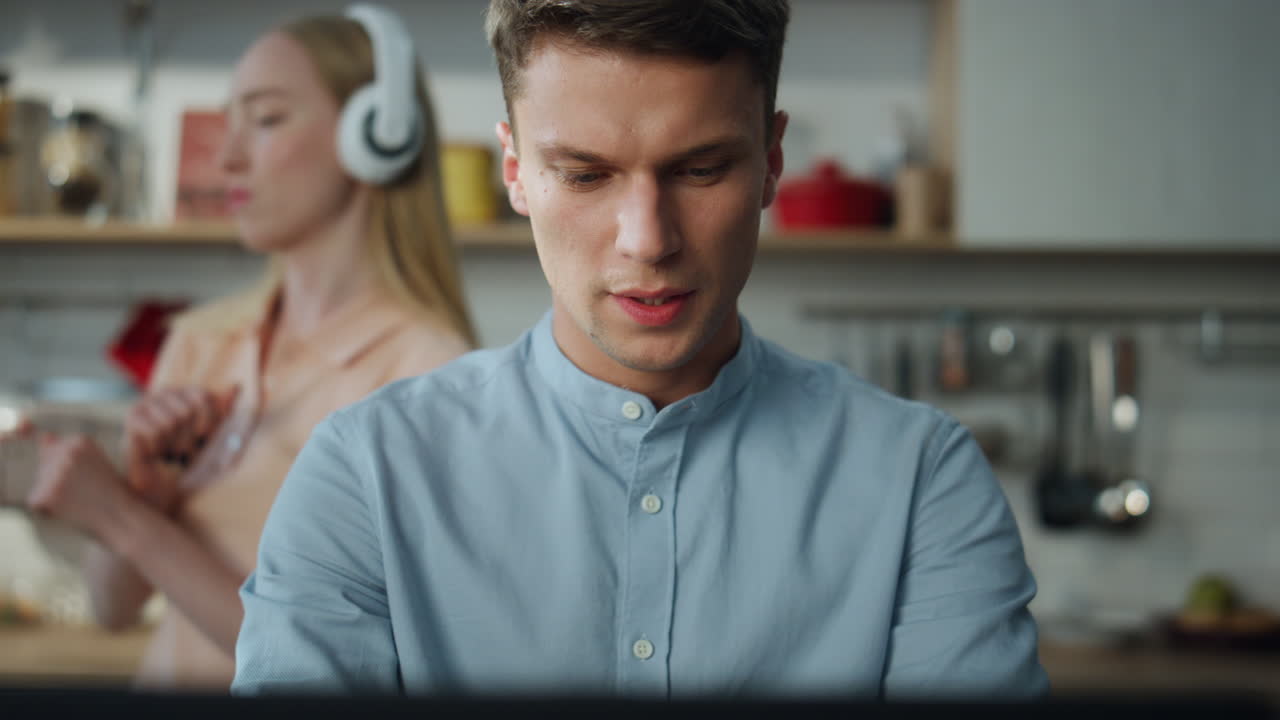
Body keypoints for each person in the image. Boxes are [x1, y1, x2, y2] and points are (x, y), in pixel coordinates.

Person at [233, 0, 1049, 701]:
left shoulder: (922, 484)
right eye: (585, 176)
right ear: (516, 170)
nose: (647, 240)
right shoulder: (364, 474)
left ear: (770, 161)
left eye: (699, 169)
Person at [12, 4, 475, 691]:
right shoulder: (202, 340)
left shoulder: (429, 373)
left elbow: (359, 661)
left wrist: (119, 516)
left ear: (376, 135)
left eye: (264, 119)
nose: (226, 157)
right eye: (228, 123)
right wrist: (148, 493)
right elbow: (112, 608)